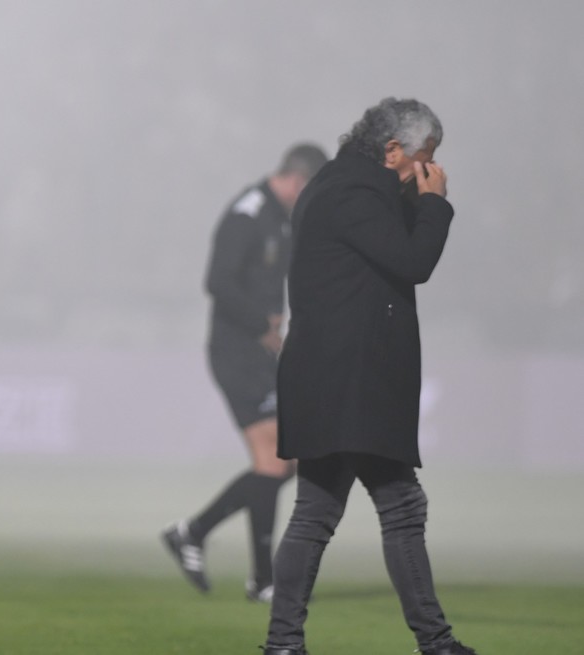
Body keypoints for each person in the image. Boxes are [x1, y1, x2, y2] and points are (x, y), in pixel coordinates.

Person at [260, 98, 476, 655]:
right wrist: (434, 204)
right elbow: (412, 262)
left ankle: (288, 644)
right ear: (393, 149)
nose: (430, 170)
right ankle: (432, 643)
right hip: (348, 382)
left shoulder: (342, 185)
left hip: (338, 378)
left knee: (334, 511)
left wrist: (411, 194)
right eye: (425, 157)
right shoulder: (354, 193)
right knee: (369, 510)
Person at [162, 144, 328, 602]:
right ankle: (261, 579)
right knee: (276, 459)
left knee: (286, 461)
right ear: (297, 180)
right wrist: (261, 325)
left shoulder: (280, 217)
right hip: (236, 353)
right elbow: (217, 281)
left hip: (261, 355)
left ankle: (195, 534)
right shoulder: (248, 213)